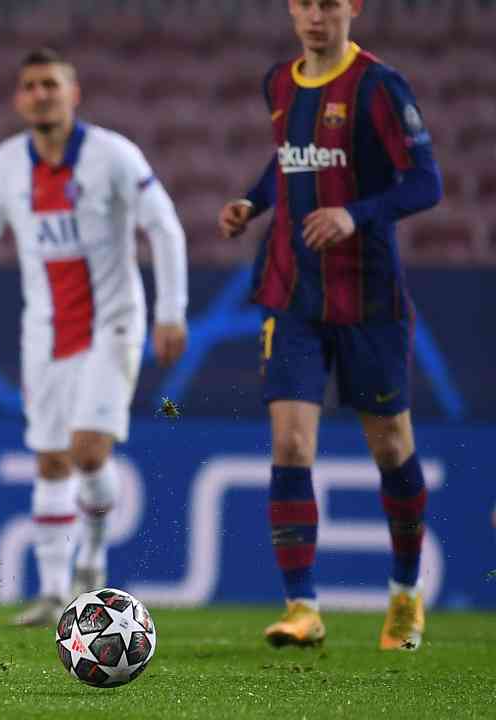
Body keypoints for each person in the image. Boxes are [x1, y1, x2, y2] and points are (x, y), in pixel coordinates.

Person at [218, 0, 441, 650]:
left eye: (330, 3)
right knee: (290, 445)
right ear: (292, 10)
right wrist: (253, 203)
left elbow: (425, 183)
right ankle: (302, 607)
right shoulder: (279, 81)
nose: (317, 15)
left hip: (368, 297)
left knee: (391, 448)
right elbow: (287, 158)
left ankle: (404, 595)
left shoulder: (378, 85)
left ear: (353, 7)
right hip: (290, 293)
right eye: (306, 3)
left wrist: (356, 214)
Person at [0, 49, 188, 626]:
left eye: (52, 84)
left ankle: (91, 561)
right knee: (49, 461)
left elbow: (163, 226)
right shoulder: (6, 166)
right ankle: (50, 592)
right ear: (19, 99)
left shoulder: (113, 155)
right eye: (31, 85)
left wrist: (173, 311)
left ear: (74, 95)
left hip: (111, 323)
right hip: (44, 331)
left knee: (87, 450)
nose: (41, 94)